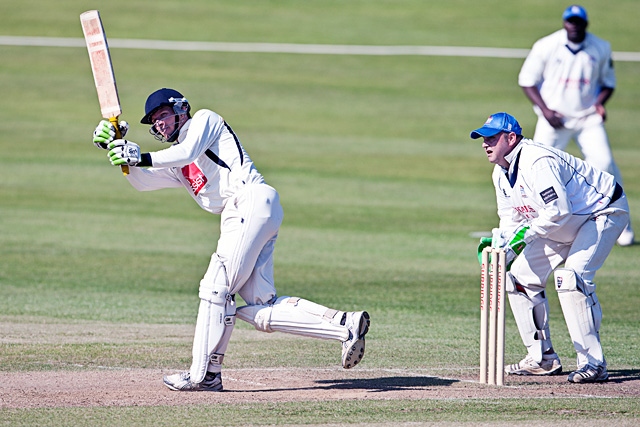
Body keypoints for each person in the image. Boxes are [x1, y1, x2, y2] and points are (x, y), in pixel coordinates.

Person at [92, 88, 370, 391]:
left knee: (215, 288)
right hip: (245, 214)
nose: (159, 124)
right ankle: (345, 325)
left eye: (162, 115)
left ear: (180, 109)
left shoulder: (204, 121)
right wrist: (118, 148)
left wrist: (139, 153)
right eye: (154, 122)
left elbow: (185, 151)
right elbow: (143, 181)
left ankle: (203, 376)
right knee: (261, 309)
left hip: (248, 200)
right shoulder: (175, 163)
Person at [471, 112, 629, 383]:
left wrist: (520, 239)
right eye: (483, 139)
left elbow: (558, 211)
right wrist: (502, 248)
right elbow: (511, 220)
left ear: (511, 138)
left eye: (492, 138)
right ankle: (542, 359)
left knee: (571, 279)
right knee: (518, 277)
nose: (486, 144)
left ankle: (593, 363)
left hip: (600, 211)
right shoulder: (501, 173)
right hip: (562, 223)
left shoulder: (537, 161)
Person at [518, 4, 634, 246]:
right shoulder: (546, 45)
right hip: (554, 119)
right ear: (564, 23)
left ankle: (621, 227)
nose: (573, 26)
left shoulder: (601, 47)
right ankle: (533, 224)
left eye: (577, 22)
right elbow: (527, 81)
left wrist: (600, 103)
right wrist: (546, 110)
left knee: (604, 165)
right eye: (569, 21)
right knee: (535, 168)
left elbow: (608, 82)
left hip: (587, 118)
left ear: (584, 24)